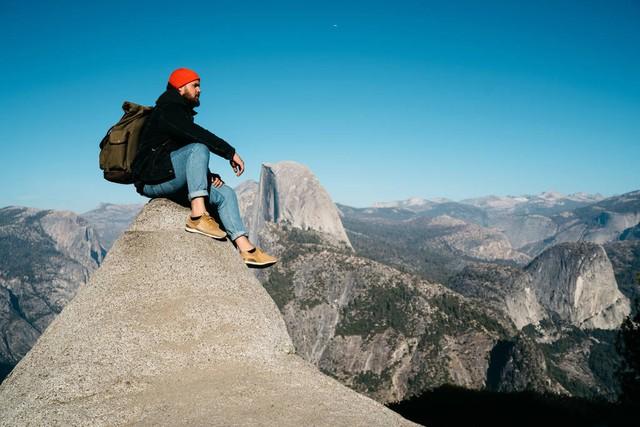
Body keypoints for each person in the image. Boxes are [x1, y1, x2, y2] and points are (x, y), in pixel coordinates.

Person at [132, 67, 277, 267]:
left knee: (225, 193)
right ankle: (198, 216)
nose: (200, 90)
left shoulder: (179, 113)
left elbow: (177, 153)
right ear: (181, 88)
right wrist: (229, 152)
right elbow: (195, 137)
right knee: (198, 148)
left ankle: (246, 249)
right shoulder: (168, 110)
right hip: (151, 180)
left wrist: (207, 175)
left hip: (167, 174)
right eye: (195, 85)